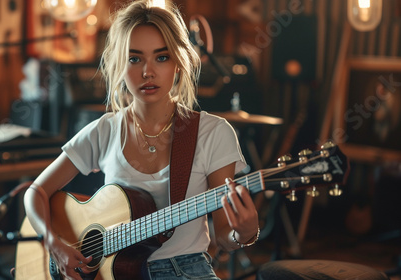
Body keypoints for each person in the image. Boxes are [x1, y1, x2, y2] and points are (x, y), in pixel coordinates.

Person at [23, 0, 259, 279]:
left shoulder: (212, 132)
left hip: (186, 270)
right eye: (134, 59)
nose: (148, 71)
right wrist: (53, 243)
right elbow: (35, 192)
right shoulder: (104, 130)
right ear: (120, 65)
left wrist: (243, 233)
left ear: (179, 63)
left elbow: (223, 237)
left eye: (161, 57)